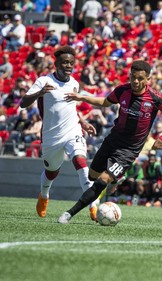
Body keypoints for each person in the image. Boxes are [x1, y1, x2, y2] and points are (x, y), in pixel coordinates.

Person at [58, 60, 162, 223]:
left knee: (102, 181)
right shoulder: (122, 90)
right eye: (133, 77)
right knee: (92, 176)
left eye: (140, 78)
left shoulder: (156, 98)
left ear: (148, 79)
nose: (136, 81)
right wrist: (81, 97)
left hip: (129, 150)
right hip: (112, 140)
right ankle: (117, 177)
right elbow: (104, 102)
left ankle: (69, 213)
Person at [20, 46, 99, 220]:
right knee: (51, 173)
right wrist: (39, 93)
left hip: (73, 130)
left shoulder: (75, 84)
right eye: (65, 62)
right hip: (51, 136)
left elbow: (70, 108)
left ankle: (93, 206)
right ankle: (44, 195)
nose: (68, 65)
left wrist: (83, 122)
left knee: (81, 163)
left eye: (71, 62)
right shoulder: (44, 81)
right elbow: (23, 103)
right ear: (56, 64)